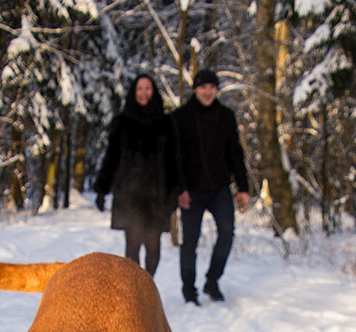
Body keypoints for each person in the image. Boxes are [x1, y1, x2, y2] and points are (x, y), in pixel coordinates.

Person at [173, 69, 250, 304]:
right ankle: (189, 290)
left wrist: (243, 187)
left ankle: (212, 281)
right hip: (191, 191)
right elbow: (174, 156)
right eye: (203, 87)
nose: (207, 92)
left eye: (212, 87)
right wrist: (180, 189)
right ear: (195, 89)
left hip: (219, 188)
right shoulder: (181, 116)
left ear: (216, 90)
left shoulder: (226, 116)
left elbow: (235, 152)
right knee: (190, 241)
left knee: (227, 232)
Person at [94, 73, 178, 276]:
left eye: (148, 88)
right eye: (139, 88)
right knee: (132, 246)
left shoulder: (166, 123)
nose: (143, 93)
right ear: (133, 93)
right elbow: (111, 157)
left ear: (154, 92)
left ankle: (147, 286)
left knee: (153, 246)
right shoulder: (122, 122)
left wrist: (176, 191)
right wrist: (102, 189)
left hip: (157, 195)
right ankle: (134, 291)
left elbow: (175, 160)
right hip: (129, 194)